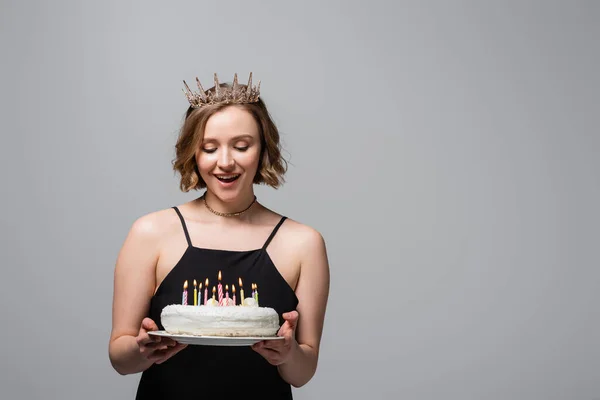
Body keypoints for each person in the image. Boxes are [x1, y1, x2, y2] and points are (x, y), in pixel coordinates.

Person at [108, 73, 330, 399]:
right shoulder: (150, 233)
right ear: (192, 153)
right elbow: (119, 357)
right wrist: (142, 351)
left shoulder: (303, 243)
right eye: (209, 148)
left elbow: (303, 372)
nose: (225, 162)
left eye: (241, 146)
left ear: (263, 148)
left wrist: (289, 354)